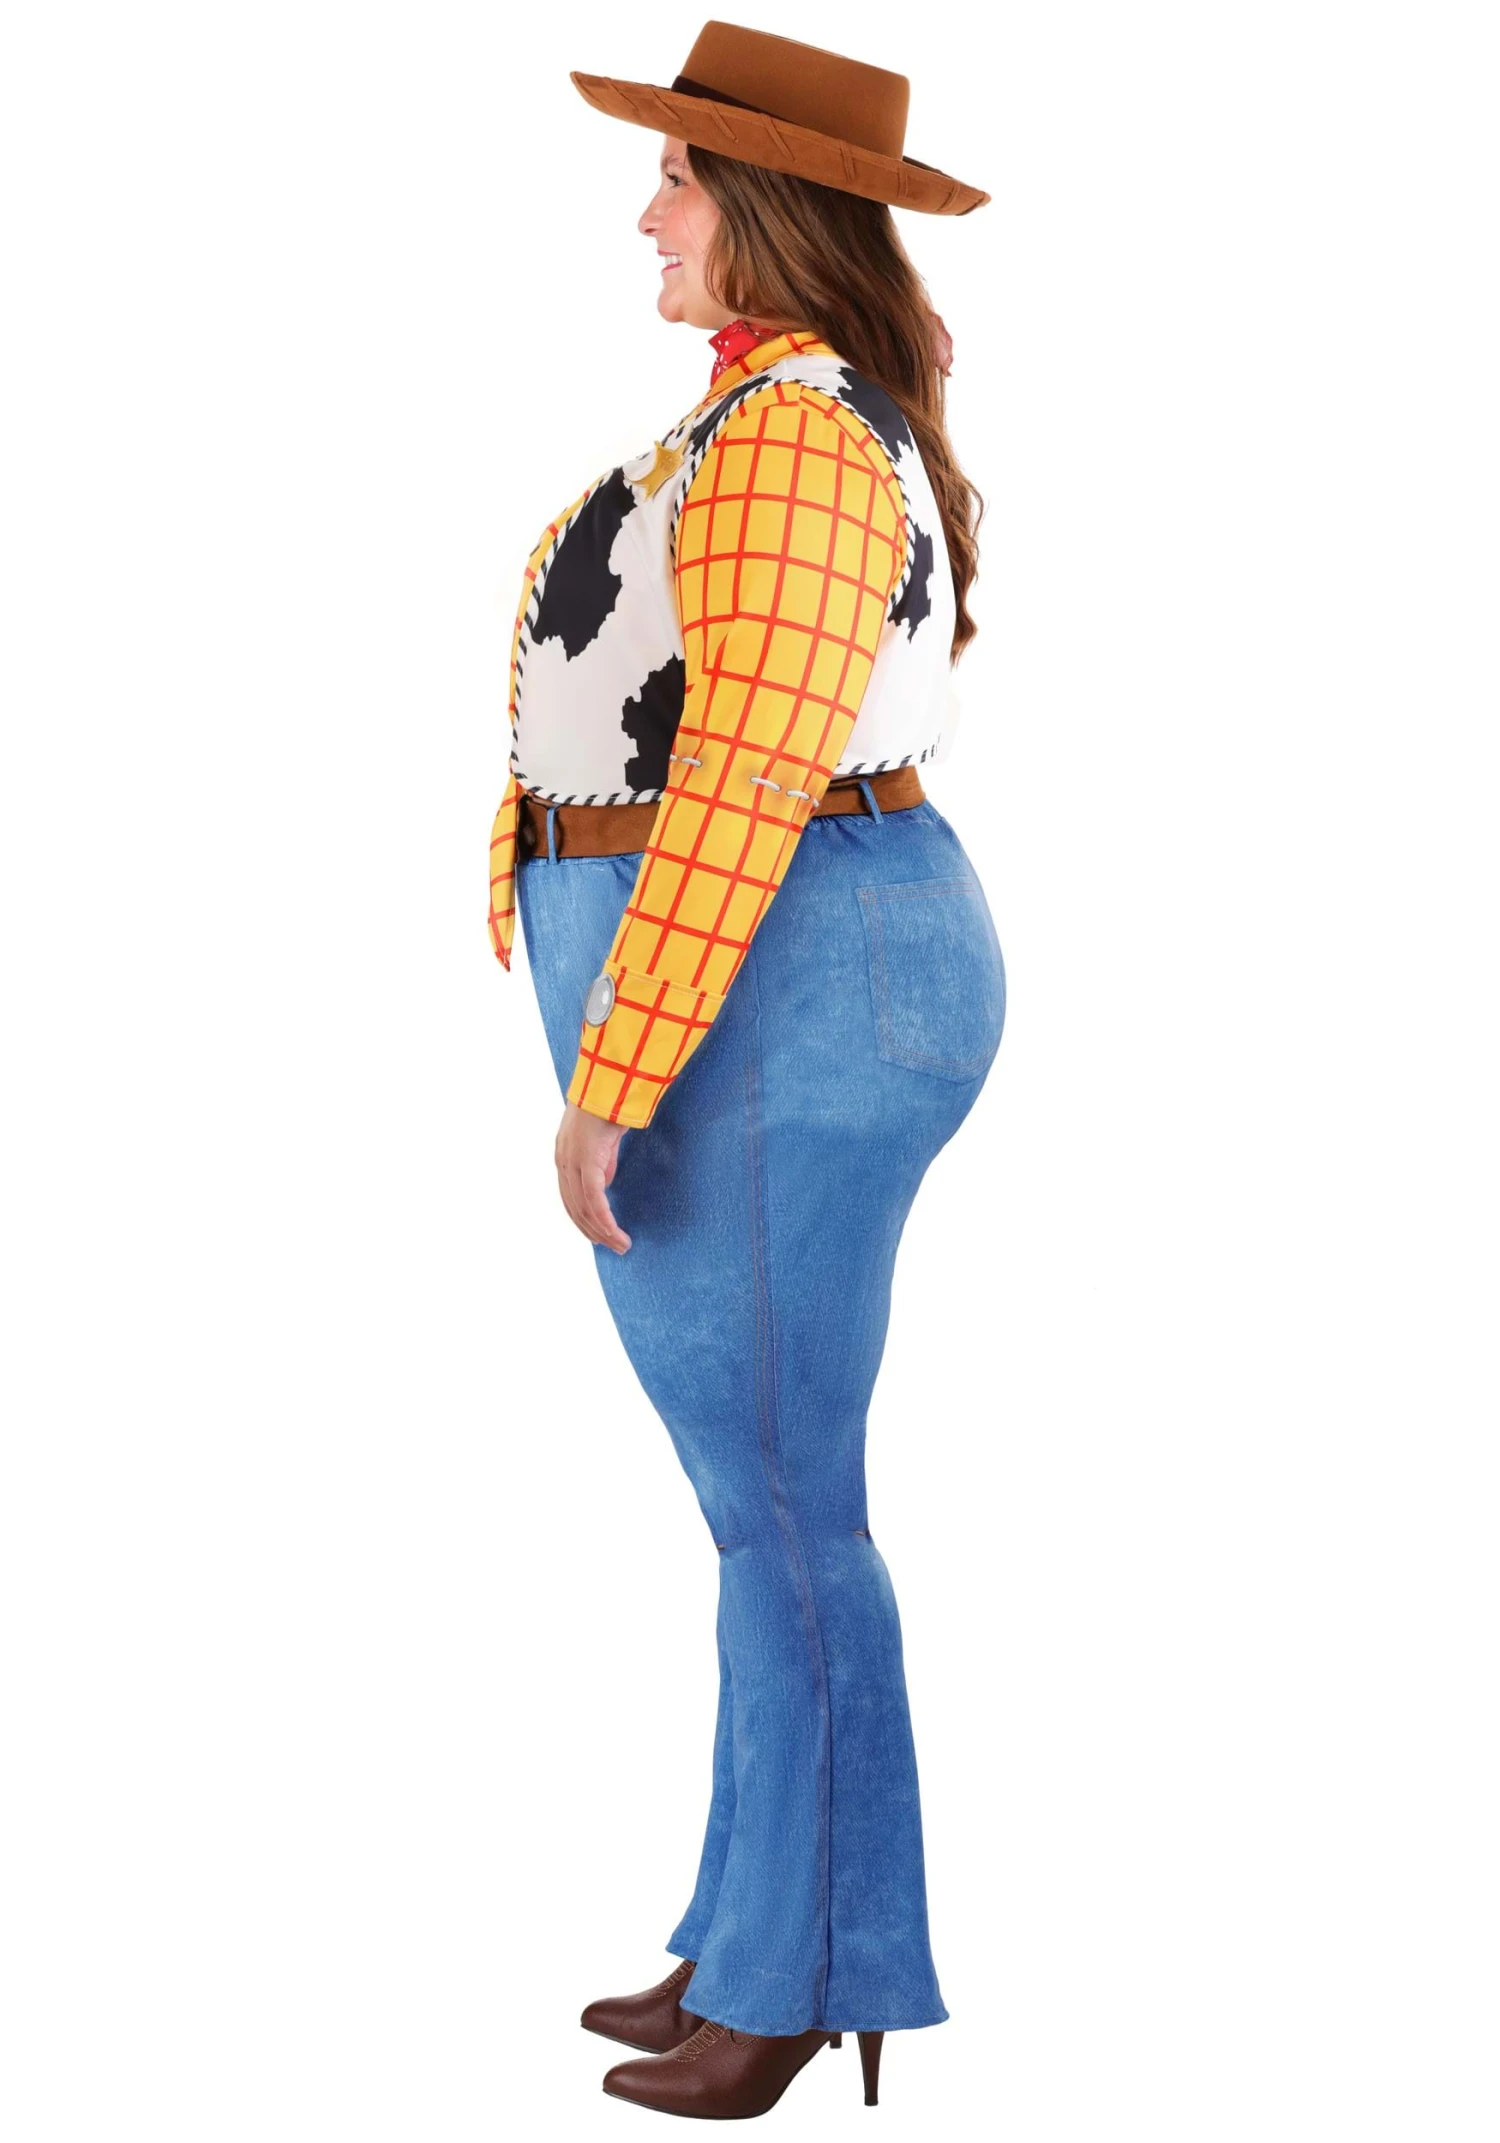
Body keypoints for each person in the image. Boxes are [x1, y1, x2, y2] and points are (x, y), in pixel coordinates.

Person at [487, 24, 1005, 2121]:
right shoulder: (767, 417)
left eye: (678, 180)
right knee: (758, 1499)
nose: (647, 213)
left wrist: (619, 1062)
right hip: (772, 964)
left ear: (765, 204)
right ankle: (752, 1922)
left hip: (777, 977)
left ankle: (811, 1972)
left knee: (784, 1504)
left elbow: (744, 774)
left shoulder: (791, 441)